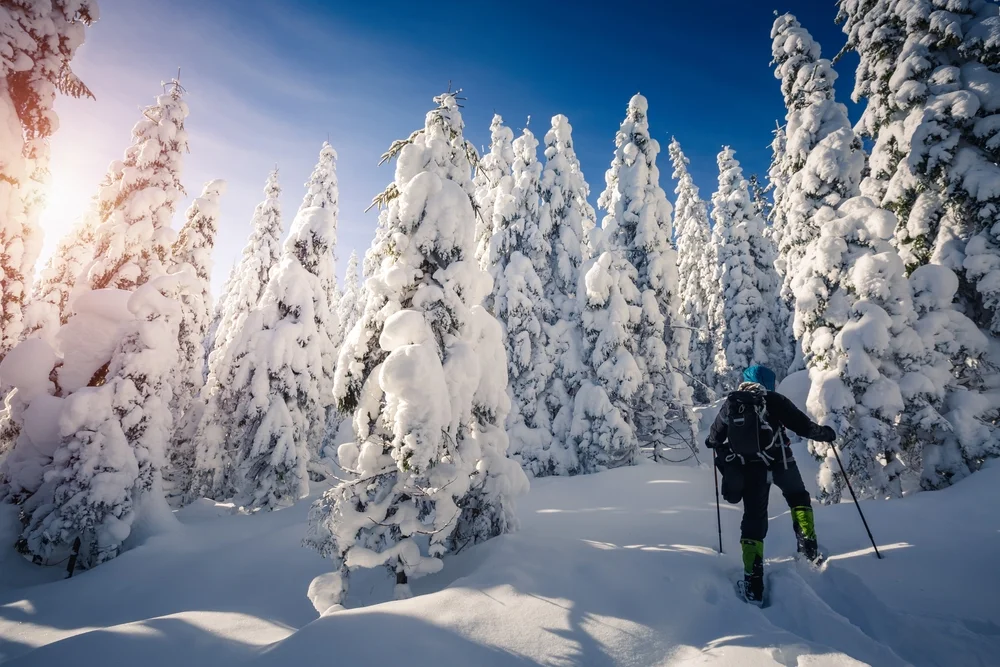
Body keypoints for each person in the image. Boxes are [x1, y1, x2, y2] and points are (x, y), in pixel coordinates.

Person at [706, 365, 836, 605]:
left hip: (751, 470)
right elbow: (803, 426)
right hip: (781, 462)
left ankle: (753, 582)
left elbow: (714, 437)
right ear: (769, 382)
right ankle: (809, 550)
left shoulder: (733, 403)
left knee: (754, 520)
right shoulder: (774, 400)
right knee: (799, 498)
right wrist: (826, 434)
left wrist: (714, 442)